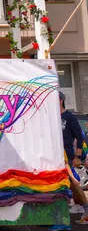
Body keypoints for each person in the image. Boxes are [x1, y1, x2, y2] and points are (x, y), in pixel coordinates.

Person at [59, 92, 88, 225]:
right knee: (68, 183)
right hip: (56, 156)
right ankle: (77, 207)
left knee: (74, 183)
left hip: (68, 156)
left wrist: (77, 156)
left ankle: (87, 211)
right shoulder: (51, 118)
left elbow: (80, 137)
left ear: (60, 100)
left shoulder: (69, 117)